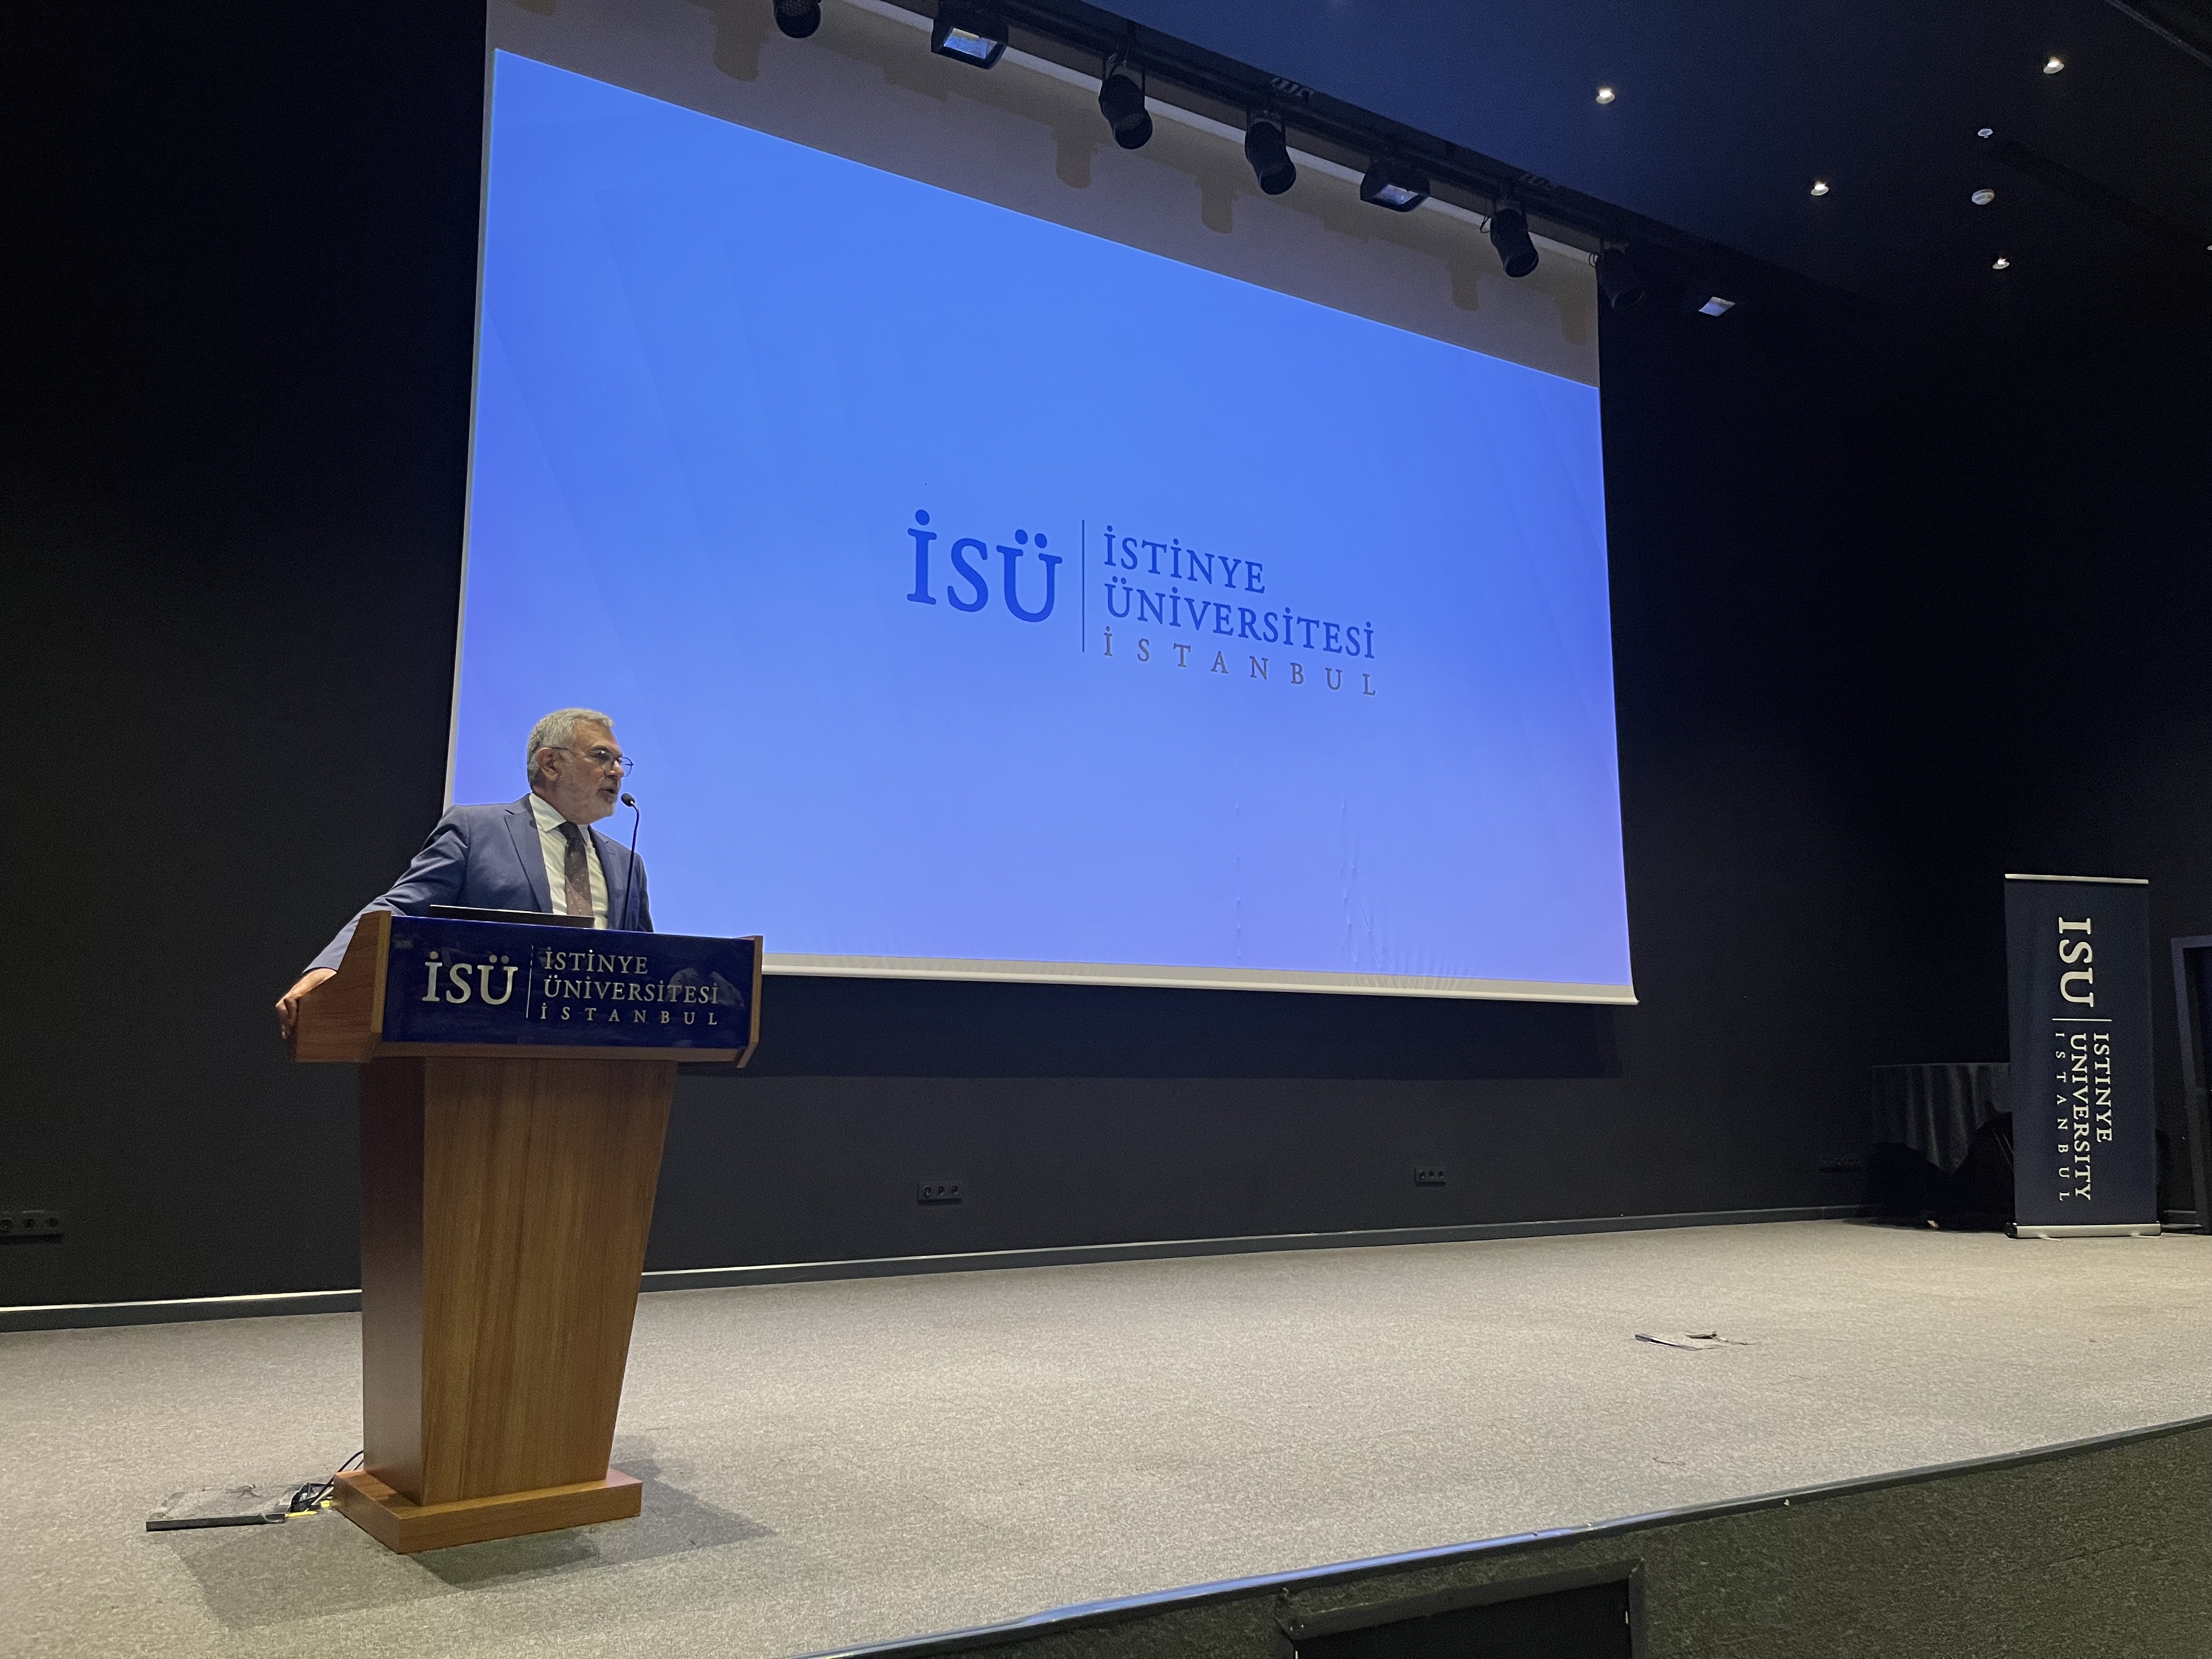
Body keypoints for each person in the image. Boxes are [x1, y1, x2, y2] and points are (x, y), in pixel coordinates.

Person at [275, 707, 652, 1037]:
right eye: (602, 756)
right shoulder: (475, 830)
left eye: (621, 761)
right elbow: (401, 907)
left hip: (598, 1047)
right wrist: (332, 967)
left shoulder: (627, 863)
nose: (617, 771)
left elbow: (646, 963)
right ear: (551, 764)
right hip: (489, 1037)